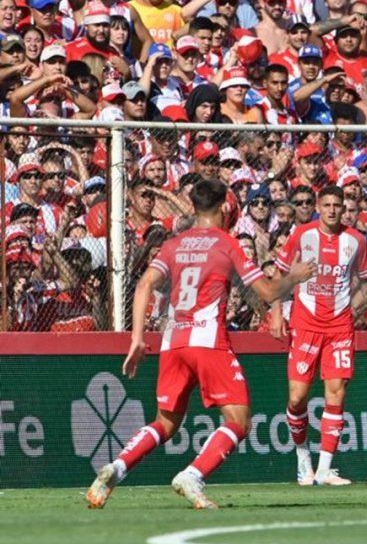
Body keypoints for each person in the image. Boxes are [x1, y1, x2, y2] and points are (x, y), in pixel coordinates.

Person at [85, 179, 316, 510]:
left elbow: (144, 285)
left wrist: (137, 339)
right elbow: (266, 293)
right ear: (225, 207)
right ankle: (192, 476)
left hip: (173, 340)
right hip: (208, 341)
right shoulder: (226, 244)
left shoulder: (174, 245)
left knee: (164, 423)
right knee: (238, 420)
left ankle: (116, 468)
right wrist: (294, 277)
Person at [270, 184, 367, 486]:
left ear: (343, 207)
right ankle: (302, 457)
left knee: (336, 393)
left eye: (338, 205)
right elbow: (280, 274)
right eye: (328, 205)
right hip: (305, 324)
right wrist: (276, 312)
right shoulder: (301, 236)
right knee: (297, 398)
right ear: (319, 206)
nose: (333, 210)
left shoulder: (356, 240)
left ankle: (324, 469)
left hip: (339, 327)